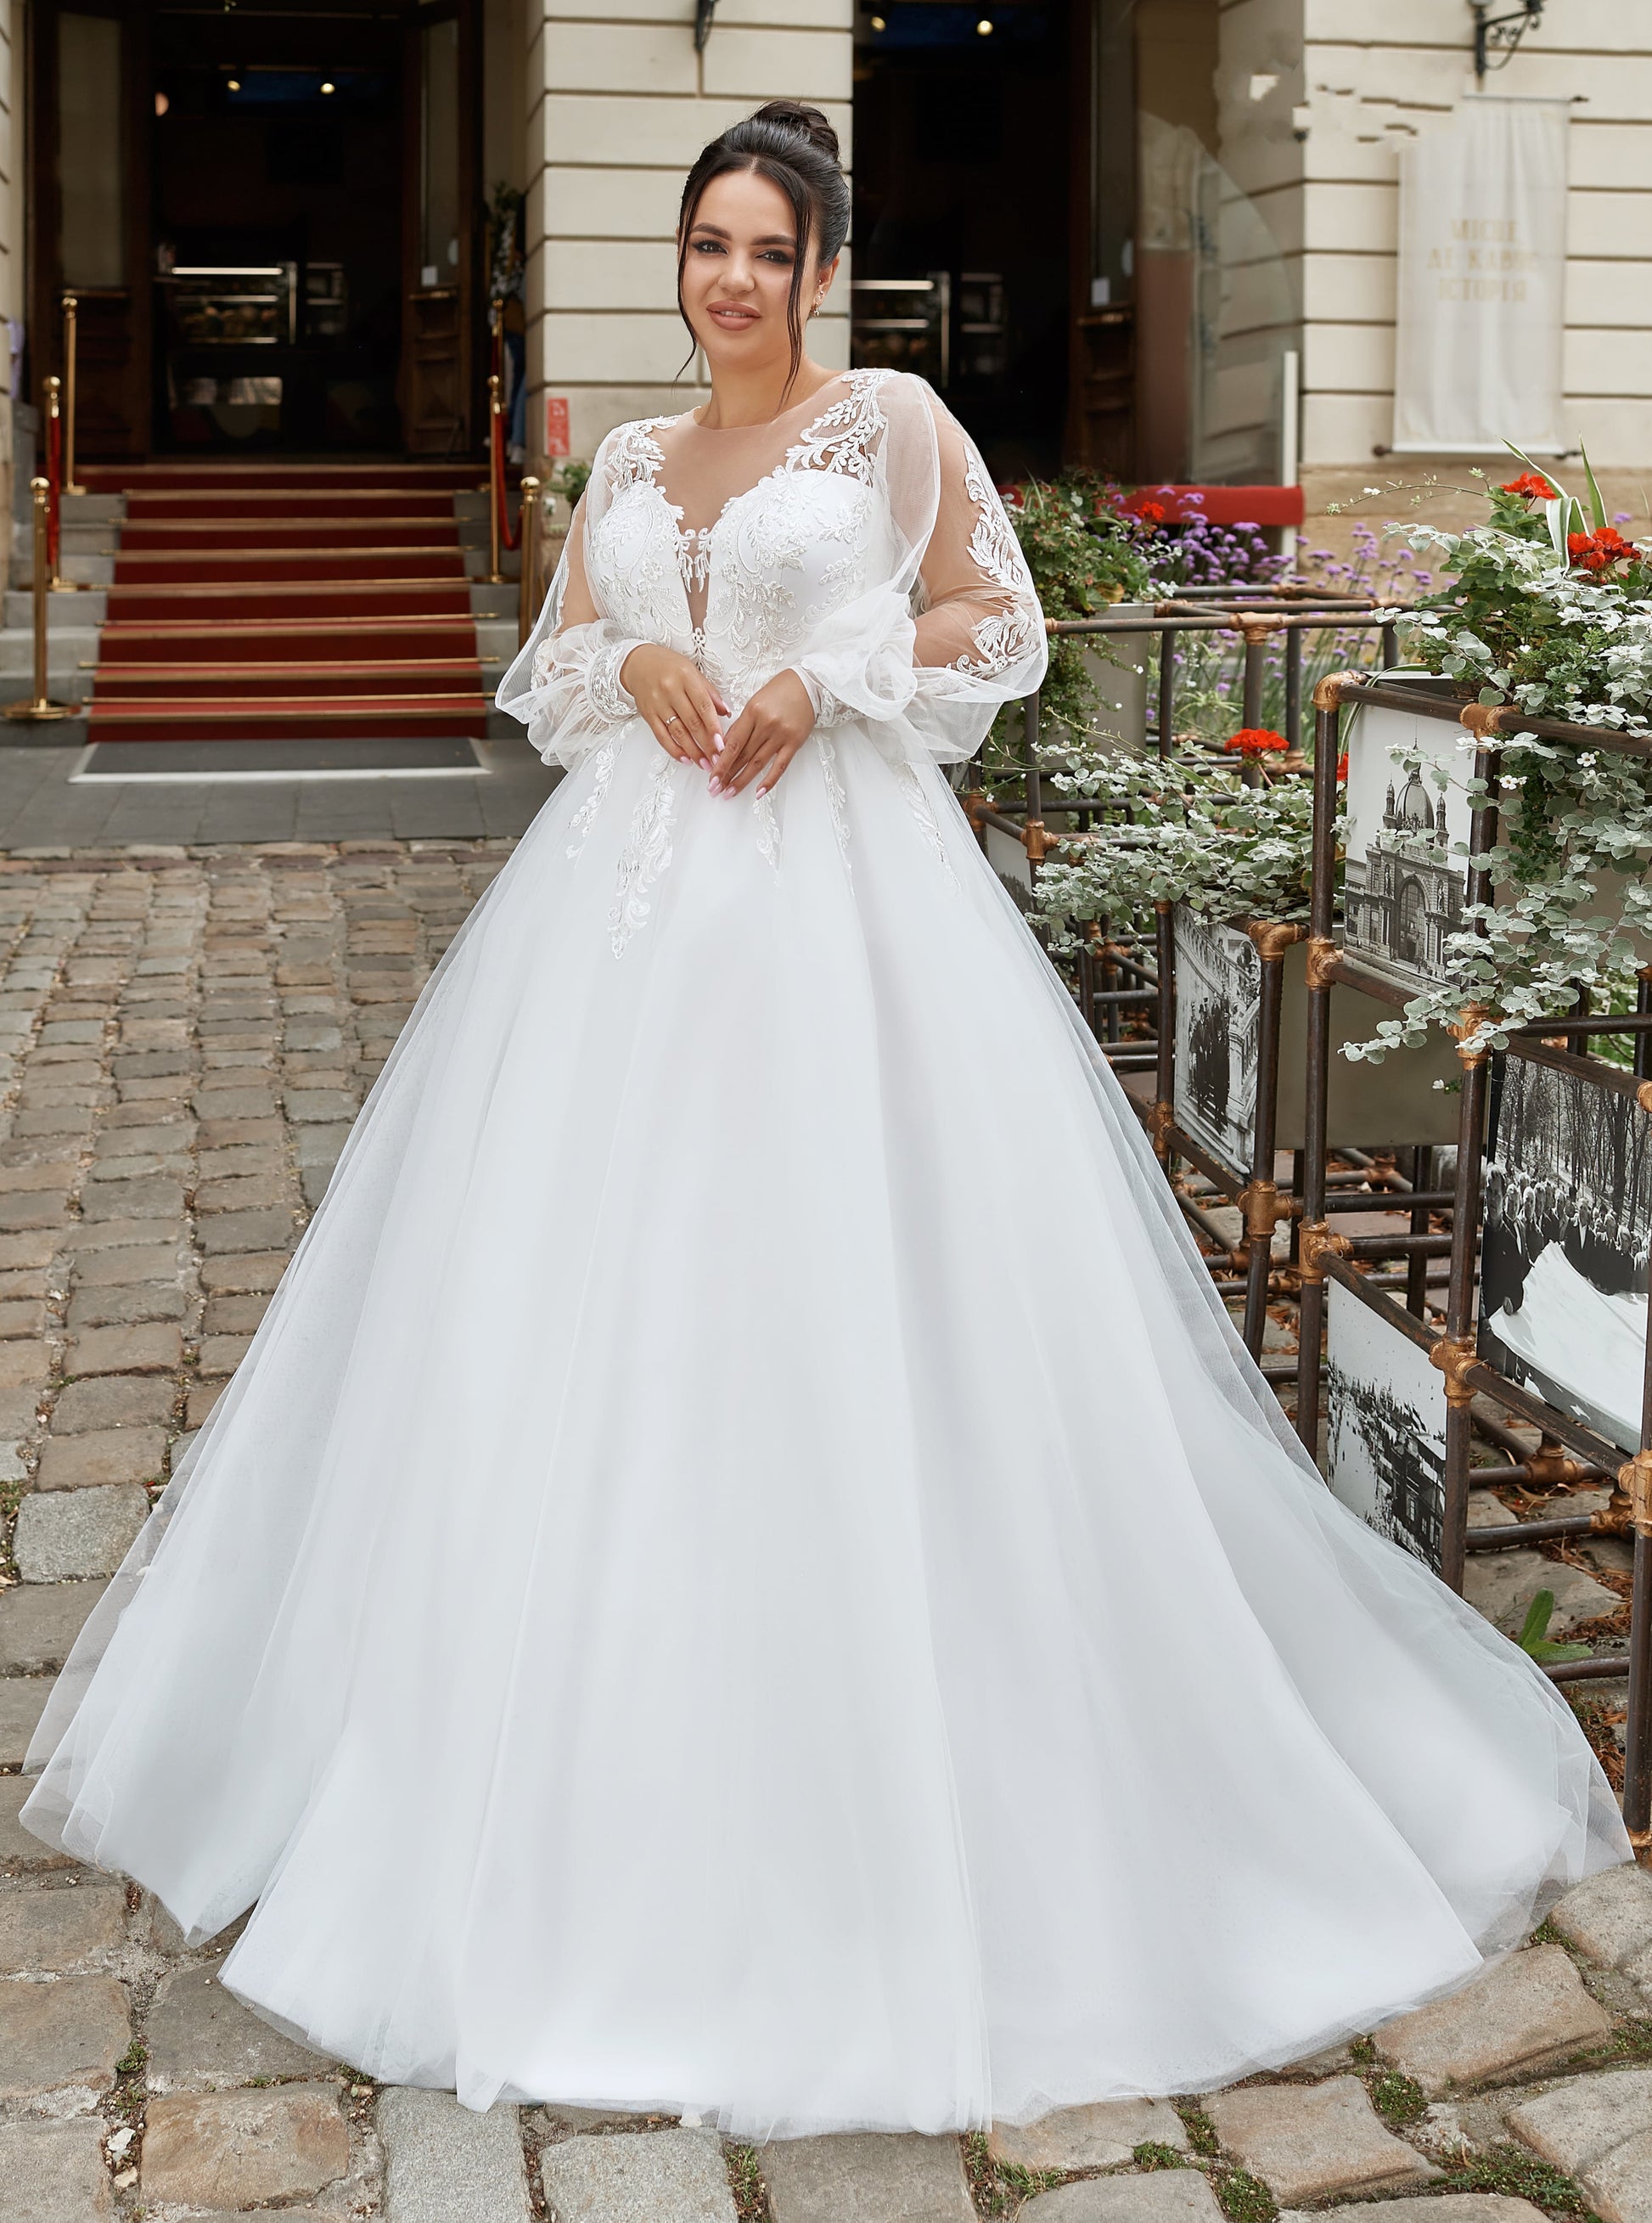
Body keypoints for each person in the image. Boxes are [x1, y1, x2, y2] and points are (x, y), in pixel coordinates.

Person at [20, 100, 1629, 2142]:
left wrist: (825, 674)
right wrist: (643, 656)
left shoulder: (887, 426)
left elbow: (993, 618)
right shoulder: (623, 458)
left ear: (820, 271)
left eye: (768, 251)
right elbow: (555, 662)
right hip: (613, 934)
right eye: (709, 244)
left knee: (856, 1298)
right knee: (577, 1320)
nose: (733, 279)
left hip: (840, 917)